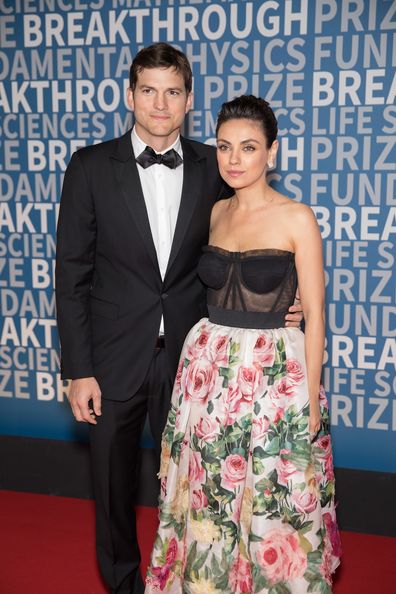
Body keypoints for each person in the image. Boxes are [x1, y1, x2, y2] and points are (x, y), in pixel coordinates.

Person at [56, 44, 302, 594]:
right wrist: (79, 369)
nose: (160, 103)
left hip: (196, 368)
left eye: (173, 91)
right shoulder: (91, 167)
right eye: (149, 90)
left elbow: (250, 241)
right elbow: (70, 275)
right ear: (130, 95)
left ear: (189, 99)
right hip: (113, 362)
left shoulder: (215, 166)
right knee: (114, 494)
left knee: (197, 492)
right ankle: (124, 586)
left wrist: (290, 299)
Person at [145, 95, 341, 594]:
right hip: (209, 378)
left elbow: (315, 314)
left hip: (276, 379)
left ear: (271, 153)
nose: (234, 159)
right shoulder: (214, 213)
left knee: (274, 499)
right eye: (225, 146)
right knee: (210, 496)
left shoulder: (298, 217)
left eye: (248, 147)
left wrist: (310, 401)